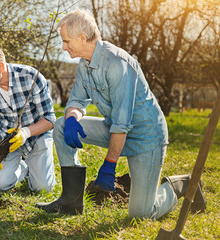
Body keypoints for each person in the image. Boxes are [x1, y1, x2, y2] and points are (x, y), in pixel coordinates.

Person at [36, 10, 206, 218]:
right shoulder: (84, 63)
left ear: (82, 38)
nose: (63, 47)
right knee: (62, 126)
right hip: (116, 128)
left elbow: (122, 123)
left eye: (66, 41)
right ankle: (71, 201)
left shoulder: (117, 63)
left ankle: (181, 185)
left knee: (142, 214)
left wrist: (109, 165)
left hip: (146, 137)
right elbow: (78, 101)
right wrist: (72, 117)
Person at [0, 43, 56, 192]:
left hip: (37, 137)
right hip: (8, 142)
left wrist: (25, 133)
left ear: (1, 67)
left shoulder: (31, 77)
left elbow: (49, 119)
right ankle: (22, 169)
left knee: (43, 188)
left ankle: (34, 168)